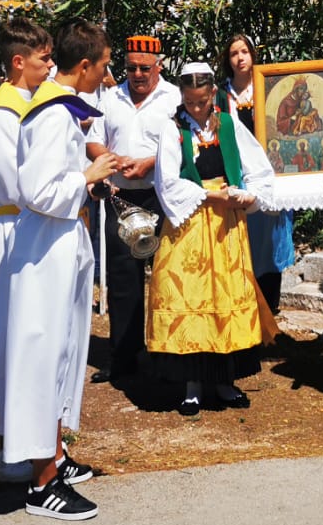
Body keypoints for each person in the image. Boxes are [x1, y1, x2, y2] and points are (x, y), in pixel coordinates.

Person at [9, 21, 117, 520]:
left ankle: (52, 457)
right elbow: (38, 190)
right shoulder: (53, 114)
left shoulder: (61, 109)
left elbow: (59, 181)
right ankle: (41, 484)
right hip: (45, 249)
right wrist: (86, 176)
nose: (107, 74)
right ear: (85, 66)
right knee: (44, 354)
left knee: (61, 353)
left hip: (60, 242)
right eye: (104, 65)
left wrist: (88, 184)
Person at [147, 61, 277, 417]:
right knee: (192, 297)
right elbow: (167, 181)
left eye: (202, 102)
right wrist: (209, 195)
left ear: (213, 94)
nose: (196, 108)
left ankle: (225, 381)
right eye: (189, 102)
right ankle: (192, 386)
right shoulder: (173, 128)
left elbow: (259, 169)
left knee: (226, 297)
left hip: (226, 226)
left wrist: (248, 194)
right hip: (189, 224)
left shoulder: (230, 125)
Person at [0, 18, 53, 485]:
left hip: (32, 225)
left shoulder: (32, 104)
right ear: (18, 62)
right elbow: (13, 180)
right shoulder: (2, 113)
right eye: (43, 58)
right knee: (10, 334)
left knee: (32, 334)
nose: (50, 66)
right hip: (13, 227)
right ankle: (6, 446)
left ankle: (39, 443)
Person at [89, 35, 179, 386]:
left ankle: (169, 356)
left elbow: (184, 143)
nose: (138, 75)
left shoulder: (173, 97)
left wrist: (149, 163)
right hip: (121, 198)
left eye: (145, 68)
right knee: (123, 280)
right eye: (131, 68)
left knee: (168, 277)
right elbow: (93, 141)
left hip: (162, 197)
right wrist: (115, 160)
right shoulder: (111, 97)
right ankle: (124, 358)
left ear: (159, 66)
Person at [223, 34, 293, 315]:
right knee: (243, 237)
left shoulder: (269, 90)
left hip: (269, 171)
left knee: (270, 239)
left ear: (253, 54)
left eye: (244, 51)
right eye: (234, 53)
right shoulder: (222, 95)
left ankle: (269, 306)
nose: (240, 58)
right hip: (237, 173)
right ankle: (243, 303)